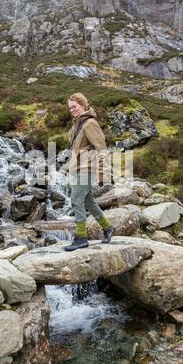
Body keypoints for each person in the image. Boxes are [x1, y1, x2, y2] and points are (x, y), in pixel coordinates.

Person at [64, 92, 116, 252]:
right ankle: (108, 228)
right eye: (70, 108)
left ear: (83, 105)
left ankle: (81, 238)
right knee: (88, 201)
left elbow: (101, 149)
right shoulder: (78, 124)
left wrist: (102, 173)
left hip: (88, 168)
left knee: (76, 199)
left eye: (75, 107)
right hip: (79, 168)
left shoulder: (89, 123)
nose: (72, 110)